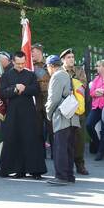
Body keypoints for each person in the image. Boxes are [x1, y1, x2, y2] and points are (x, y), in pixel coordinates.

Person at [0, 51, 46, 179]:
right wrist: (15, 89)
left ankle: (35, 170)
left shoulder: (30, 75)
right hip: (13, 112)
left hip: (29, 112)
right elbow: (3, 92)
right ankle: (17, 170)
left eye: (22, 63)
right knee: (14, 140)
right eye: (18, 63)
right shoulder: (6, 76)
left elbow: (36, 90)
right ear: (13, 62)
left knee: (31, 140)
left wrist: (24, 88)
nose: (20, 66)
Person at [45, 55, 80, 186]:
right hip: (72, 116)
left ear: (51, 66)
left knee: (60, 147)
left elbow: (53, 99)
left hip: (62, 117)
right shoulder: (67, 74)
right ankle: (69, 175)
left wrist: (48, 113)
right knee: (69, 148)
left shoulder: (57, 76)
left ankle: (61, 176)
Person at [60, 48, 89, 175]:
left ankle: (80, 164)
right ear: (63, 60)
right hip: (64, 110)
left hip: (78, 109)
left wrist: (69, 82)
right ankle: (66, 166)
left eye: (72, 57)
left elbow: (82, 85)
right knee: (65, 138)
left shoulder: (79, 70)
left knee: (79, 139)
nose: (71, 59)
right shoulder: (59, 72)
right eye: (68, 57)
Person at [31, 43, 53, 159]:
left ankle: (55, 152)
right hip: (36, 98)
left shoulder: (49, 64)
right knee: (38, 128)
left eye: (33, 51)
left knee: (51, 127)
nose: (31, 54)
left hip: (48, 97)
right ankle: (41, 153)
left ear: (39, 51)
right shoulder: (30, 66)